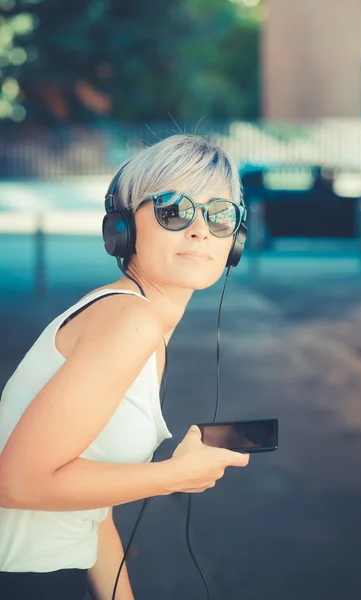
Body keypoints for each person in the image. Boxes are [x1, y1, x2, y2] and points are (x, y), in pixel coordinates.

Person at [0, 134, 250, 600]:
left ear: (235, 238)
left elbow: (92, 510)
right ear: (124, 228)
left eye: (219, 214)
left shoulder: (134, 320)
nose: (200, 230)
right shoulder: (128, 322)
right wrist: (174, 476)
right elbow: (17, 483)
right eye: (174, 209)